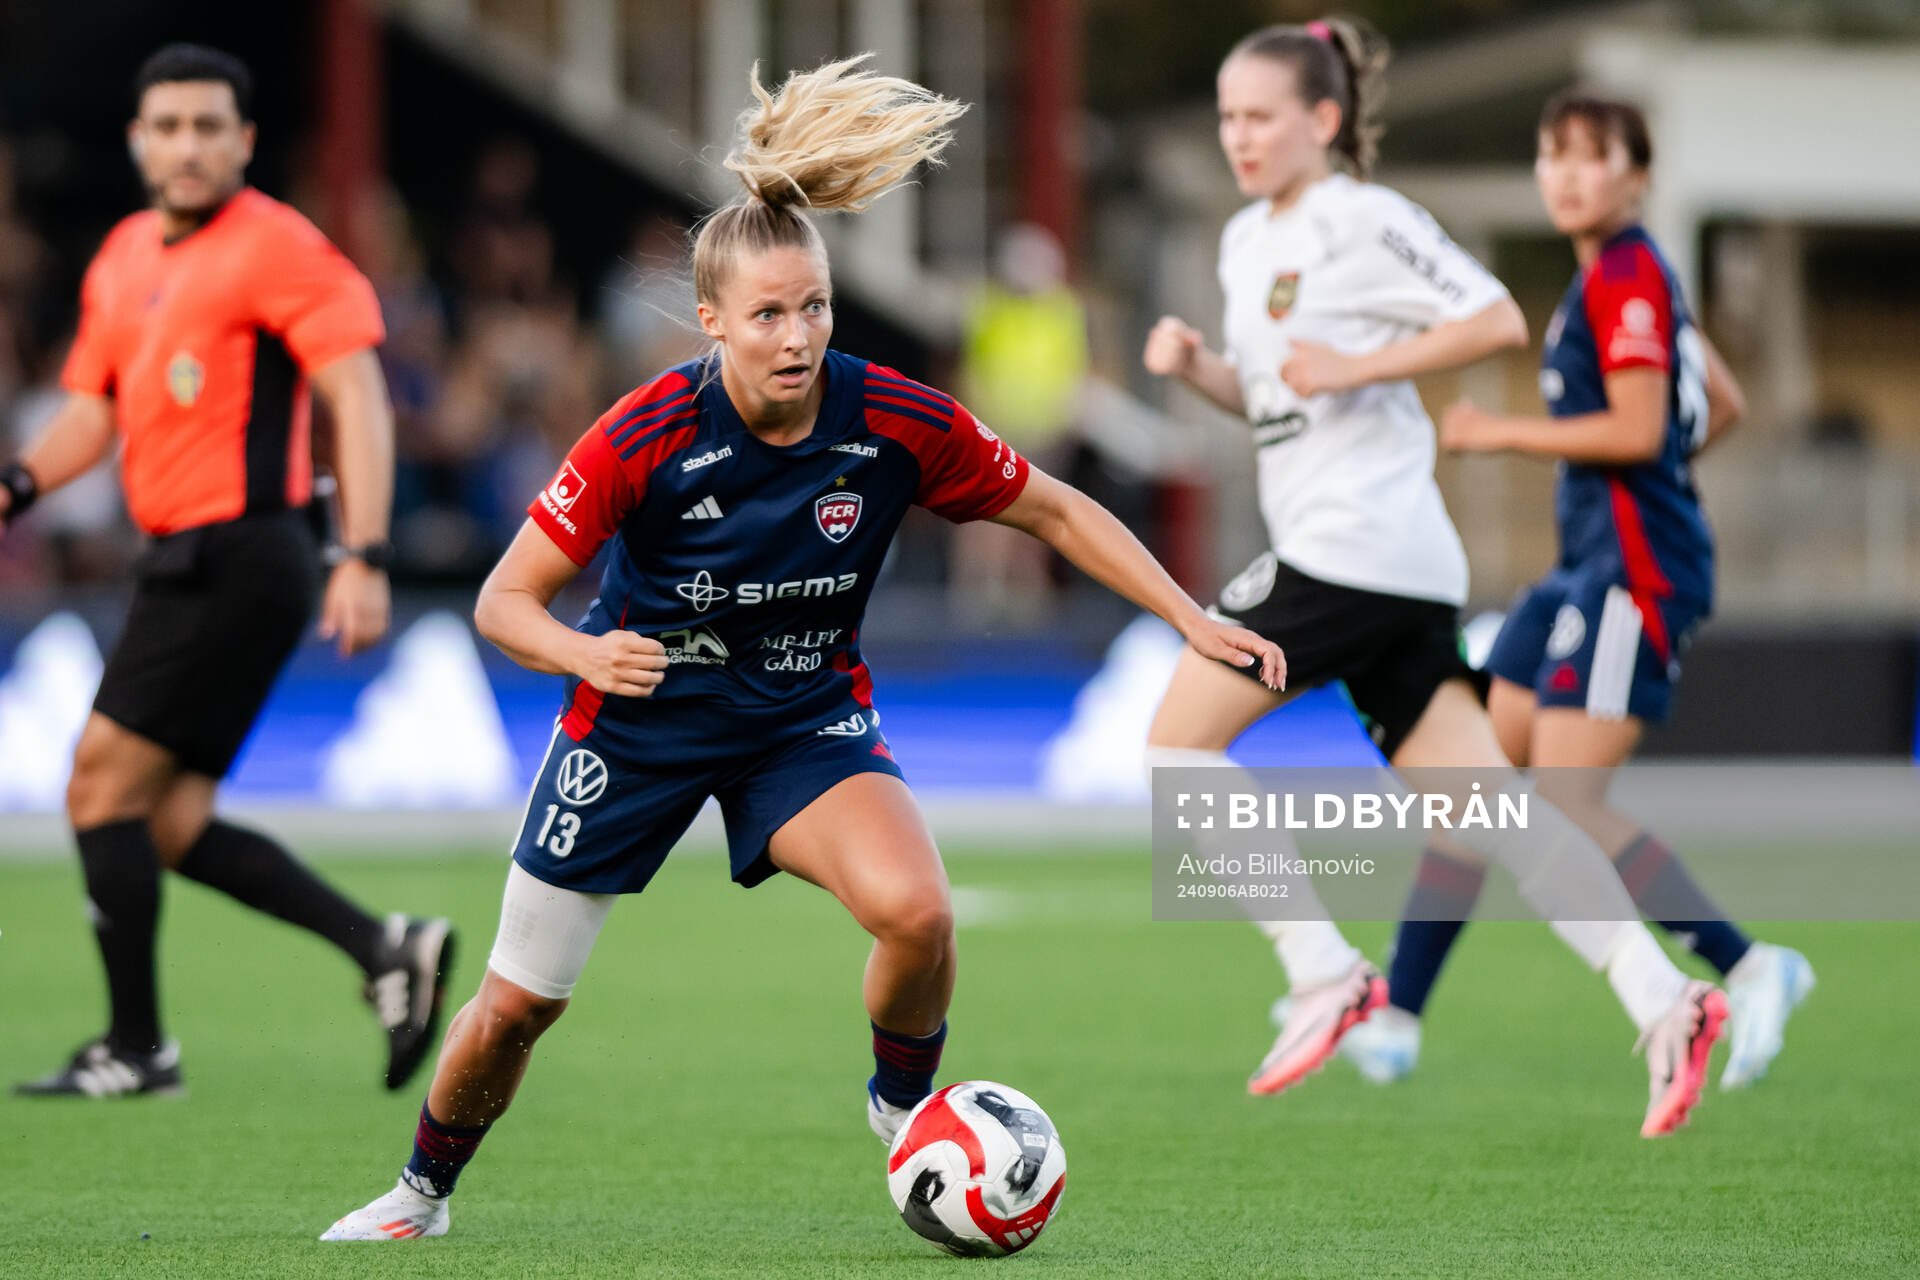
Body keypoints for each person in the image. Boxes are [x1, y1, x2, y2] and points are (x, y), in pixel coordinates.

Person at [319, 55, 1280, 1242]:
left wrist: (1191, 615)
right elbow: (503, 600)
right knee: (518, 1007)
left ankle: (902, 1110)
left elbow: (1056, 508)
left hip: (799, 719)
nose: (797, 335)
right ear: (712, 318)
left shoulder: (891, 420)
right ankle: (421, 1193)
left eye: (814, 306)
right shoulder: (649, 430)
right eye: (768, 314)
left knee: (920, 915)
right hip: (637, 727)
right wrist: (583, 656)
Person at [1140, 18, 1725, 1137]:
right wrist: (1201, 370)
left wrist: (1360, 361)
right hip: (1383, 570)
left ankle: (1323, 971)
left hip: (1352, 551)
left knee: (1175, 744)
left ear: (1322, 120)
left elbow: (1492, 315)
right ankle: (1666, 998)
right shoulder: (1243, 244)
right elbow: (1284, 402)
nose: (1240, 137)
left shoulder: (1364, 219)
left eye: (1261, 116)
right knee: (1493, 808)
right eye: (1227, 117)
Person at [1, 45, 454, 1099]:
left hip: (248, 549)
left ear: (246, 141)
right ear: (137, 139)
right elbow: (94, 412)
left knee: (96, 778)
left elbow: (357, 398)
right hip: (183, 556)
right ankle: (383, 948)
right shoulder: (121, 256)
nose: (188, 144)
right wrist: (18, 484)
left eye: (210, 125)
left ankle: (137, 1045)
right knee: (162, 821)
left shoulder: (279, 247)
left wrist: (366, 553)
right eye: (168, 126)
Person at [1341, 89, 1812, 1090]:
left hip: (1632, 576)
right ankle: (1400, 1013)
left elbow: (1643, 429)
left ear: (1636, 175)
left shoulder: (1629, 277)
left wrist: (1503, 434)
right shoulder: (1611, 279)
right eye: (1551, 154)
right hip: (1581, 572)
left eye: (1590, 156)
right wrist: (1656, 477)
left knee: (1561, 799)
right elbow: (1713, 401)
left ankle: (1751, 962)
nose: (1564, 173)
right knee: (1473, 782)